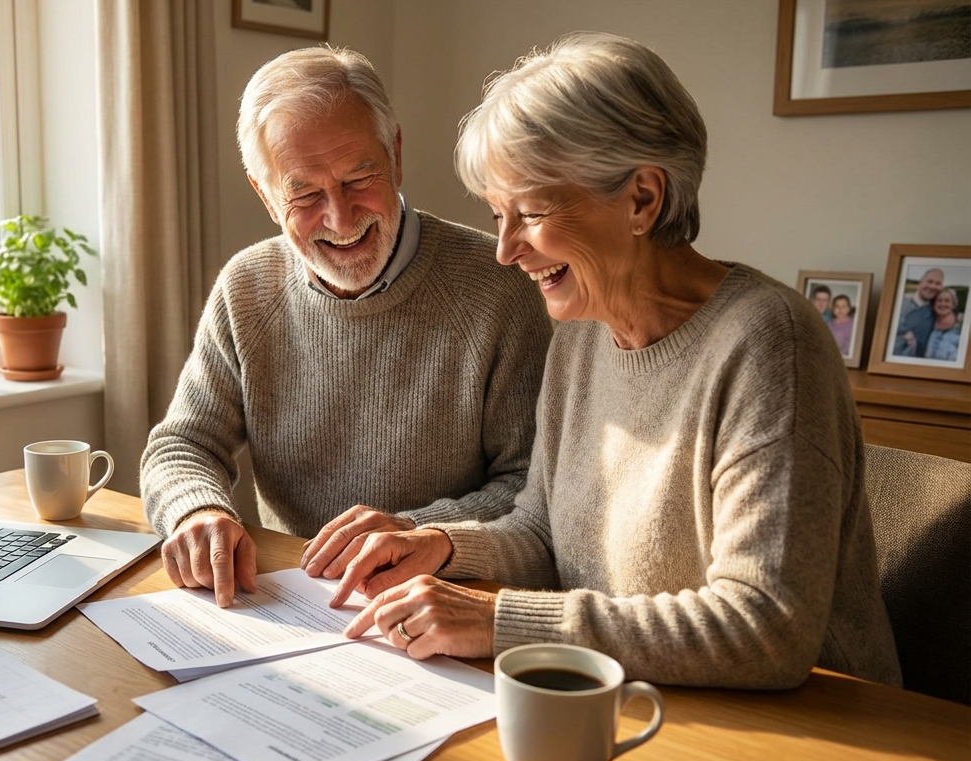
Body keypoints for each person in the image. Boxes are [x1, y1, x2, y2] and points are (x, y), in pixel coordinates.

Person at [328, 32, 900, 690]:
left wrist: (499, 620)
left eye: (531, 212)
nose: (506, 250)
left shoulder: (769, 343)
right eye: (497, 215)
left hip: (816, 722)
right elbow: (543, 531)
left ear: (643, 199)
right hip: (642, 696)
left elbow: (766, 626)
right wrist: (444, 545)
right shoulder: (582, 337)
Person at [141, 46, 552, 608]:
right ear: (266, 195)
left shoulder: (500, 284)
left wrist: (414, 531)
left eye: (359, 178)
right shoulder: (246, 287)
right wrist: (197, 510)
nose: (339, 218)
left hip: (445, 603)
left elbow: (532, 490)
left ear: (395, 154)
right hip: (291, 600)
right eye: (304, 194)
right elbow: (182, 444)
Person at [894, 268, 943, 357]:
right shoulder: (898, 303)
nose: (933, 286)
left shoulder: (938, 312)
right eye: (930, 281)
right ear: (920, 283)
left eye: (938, 284)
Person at [925, 288, 963, 362]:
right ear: (934, 305)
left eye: (947, 301)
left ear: (953, 305)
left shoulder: (962, 327)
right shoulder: (928, 326)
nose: (943, 304)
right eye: (939, 300)